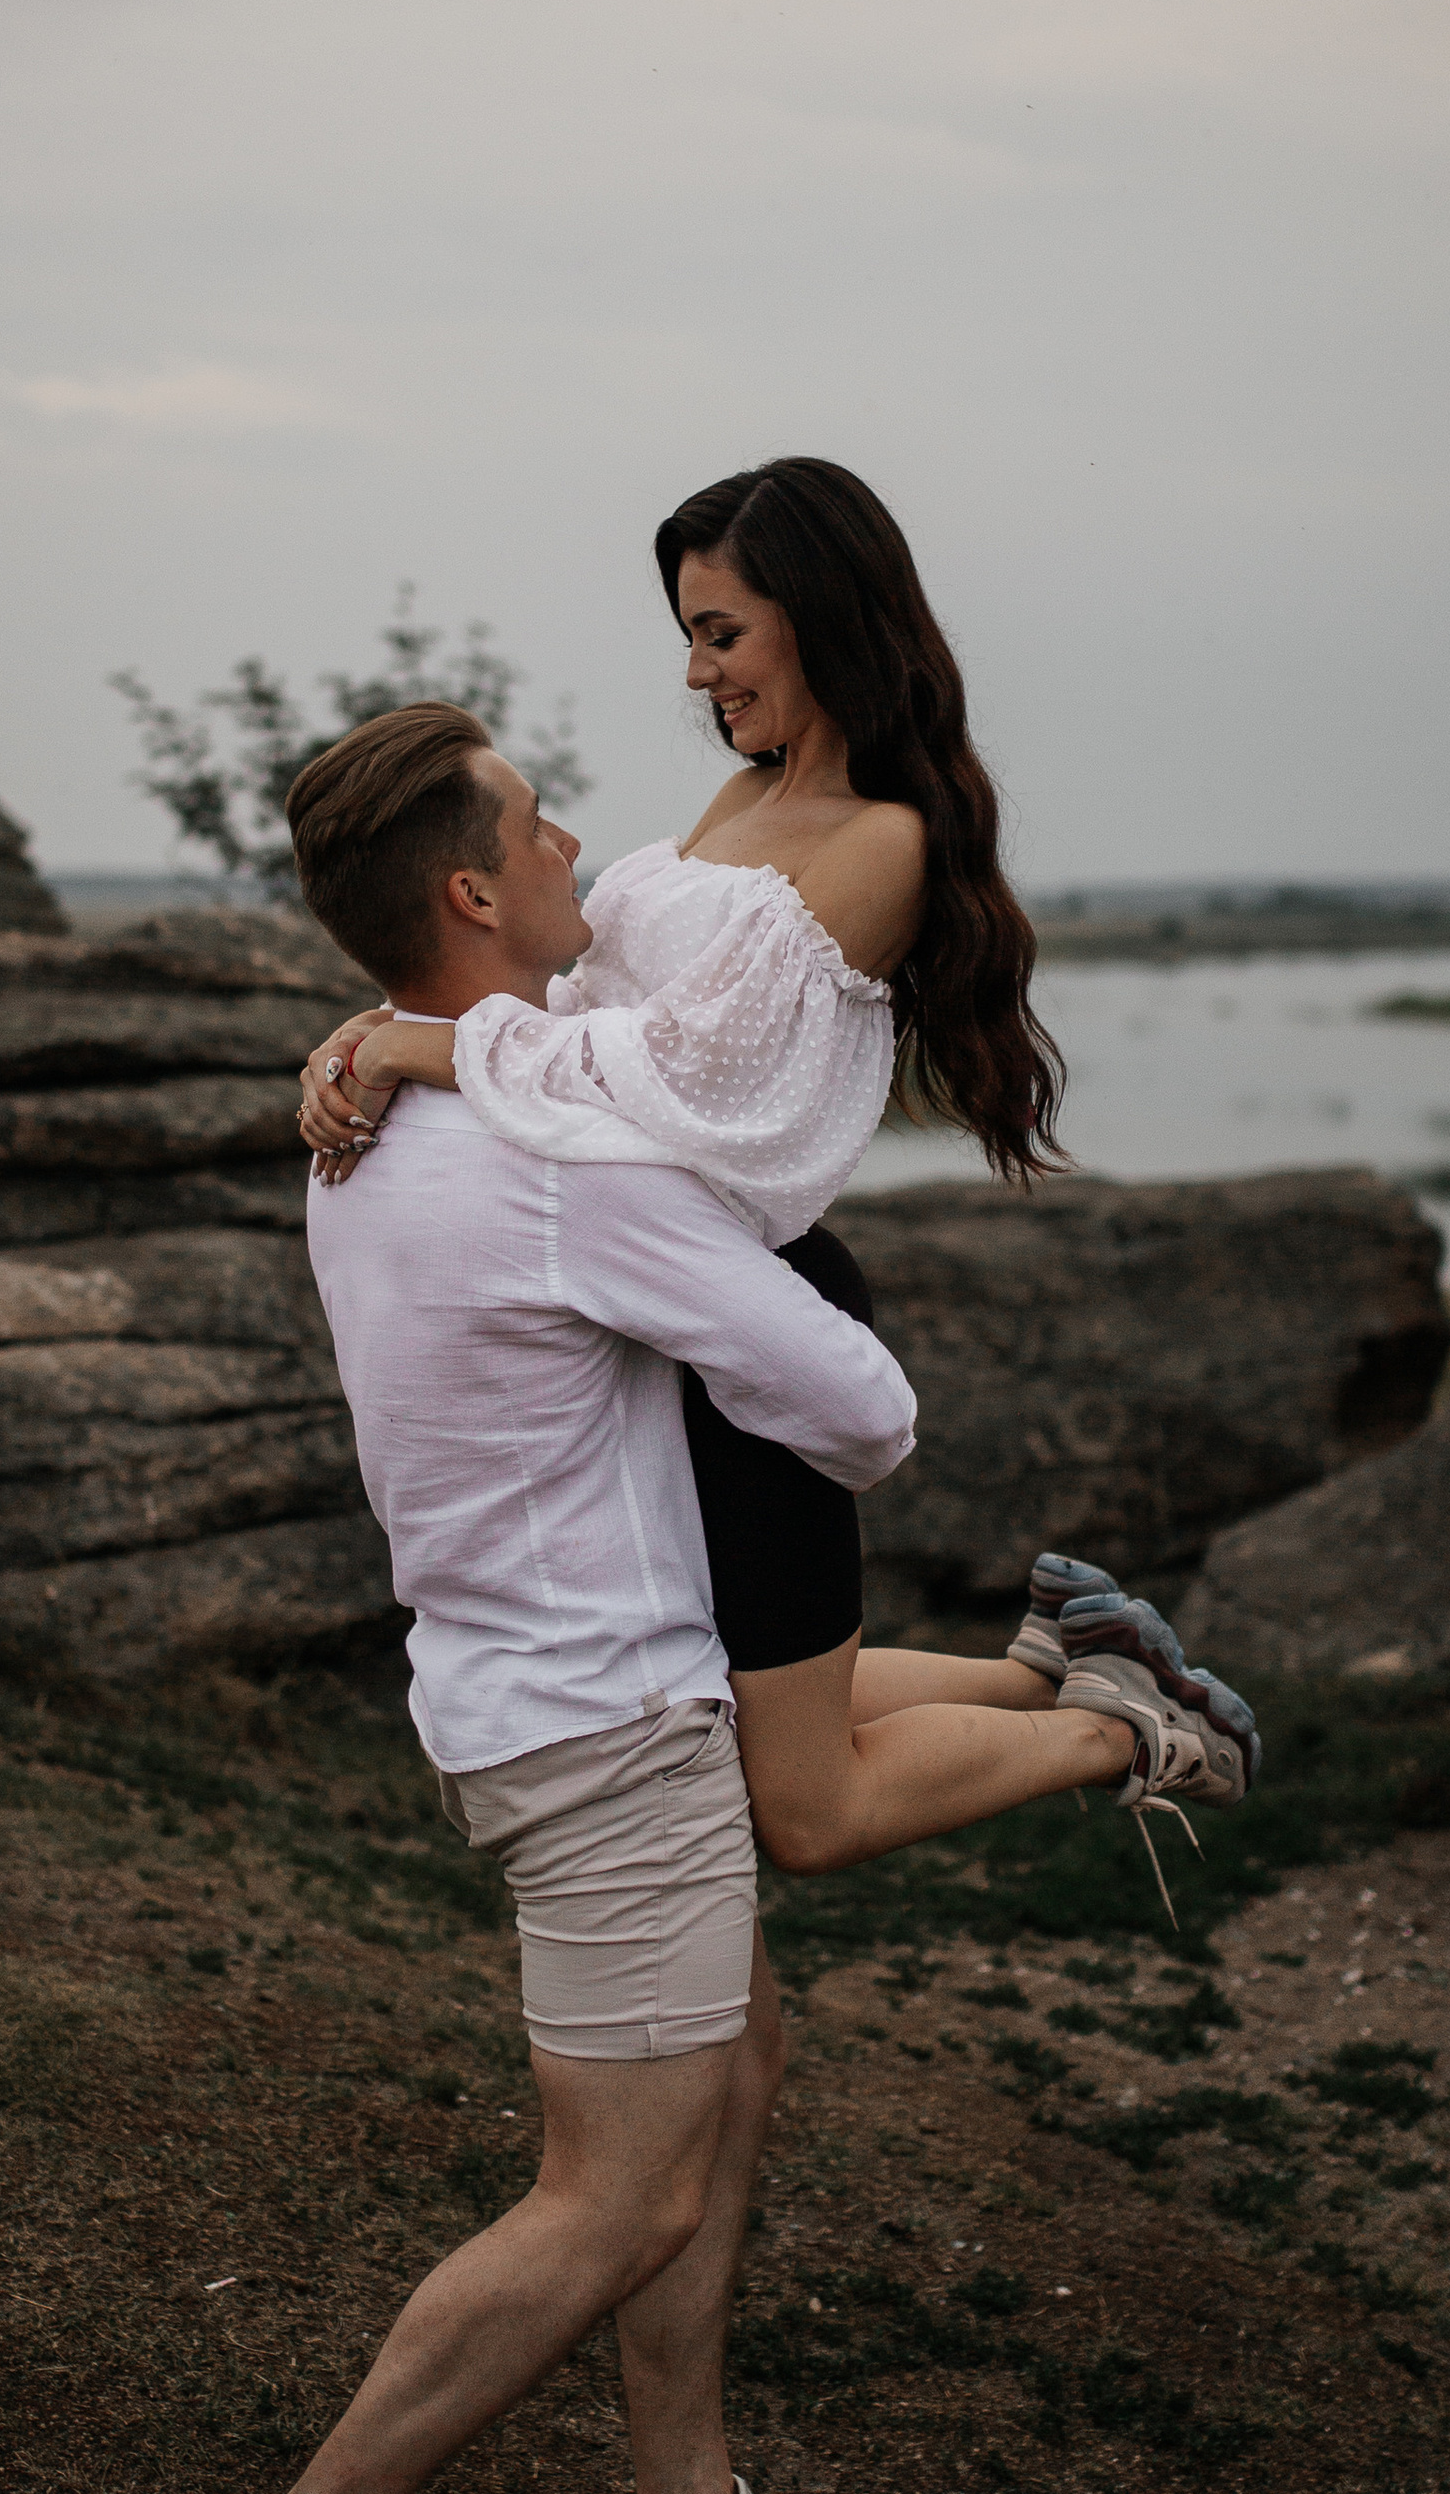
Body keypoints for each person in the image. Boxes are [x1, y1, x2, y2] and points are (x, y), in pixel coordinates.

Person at [192, 696, 1107, 2494]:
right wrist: (725, 1333)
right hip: (605, 1730)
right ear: (466, 890)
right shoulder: (548, 1165)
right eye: (533, 826)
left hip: (521, 1691)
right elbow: (863, 1407)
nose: (572, 848)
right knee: (614, 2199)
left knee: (735, 2070)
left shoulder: (365, 1111)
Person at [295, 458, 1258, 1901]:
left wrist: (433, 1047)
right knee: (721, 1687)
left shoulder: (885, 842)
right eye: (691, 634)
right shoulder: (741, 797)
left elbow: (687, 1075)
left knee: (803, 1805)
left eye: (723, 633)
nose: (699, 672)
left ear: (822, 615)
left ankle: (1122, 1730)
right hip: (651, 1294)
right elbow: (583, 1023)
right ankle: (1068, 1666)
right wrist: (378, 1034)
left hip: (747, 1297)